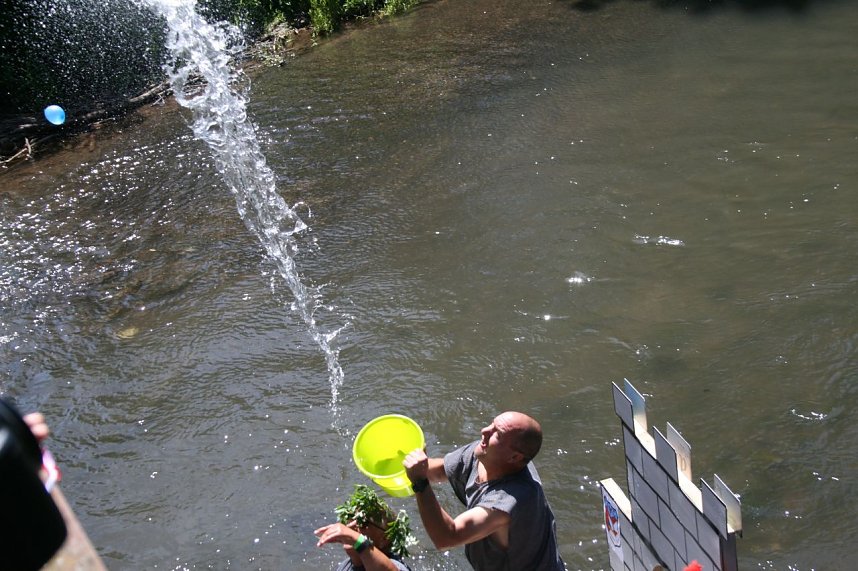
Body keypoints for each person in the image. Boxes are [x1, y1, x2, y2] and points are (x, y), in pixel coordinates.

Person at [403, 411, 565, 571]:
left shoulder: (511, 500)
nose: (484, 431)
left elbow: (446, 538)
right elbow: (437, 471)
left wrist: (420, 483)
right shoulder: (484, 453)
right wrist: (412, 463)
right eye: (491, 424)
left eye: (498, 434)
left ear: (514, 457)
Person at [314, 489, 413, 571]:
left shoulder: (395, 564)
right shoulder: (345, 566)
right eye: (351, 518)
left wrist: (358, 541)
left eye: (363, 523)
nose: (351, 527)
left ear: (384, 539)